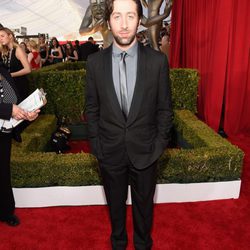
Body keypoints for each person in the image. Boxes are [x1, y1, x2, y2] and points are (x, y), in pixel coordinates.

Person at [85, 0, 173, 249]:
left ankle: (143, 244)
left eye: (131, 16)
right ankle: (119, 242)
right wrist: (96, 145)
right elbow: (91, 108)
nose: (124, 25)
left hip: (146, 151)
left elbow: (165, 110)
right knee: (114, 207)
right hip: (109, 151)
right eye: (117, 16)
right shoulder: (94, 63)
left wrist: (158, 147)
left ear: (140, 20)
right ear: (109, 21)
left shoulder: (157, 62)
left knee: (144, 208)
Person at [0, 63, 40, 227]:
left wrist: (26, 114)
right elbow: (9, 107)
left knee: (2, 172)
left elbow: (14, 101)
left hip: (4, 132)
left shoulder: (3, 70)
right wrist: (8, 110)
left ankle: (5, 211)